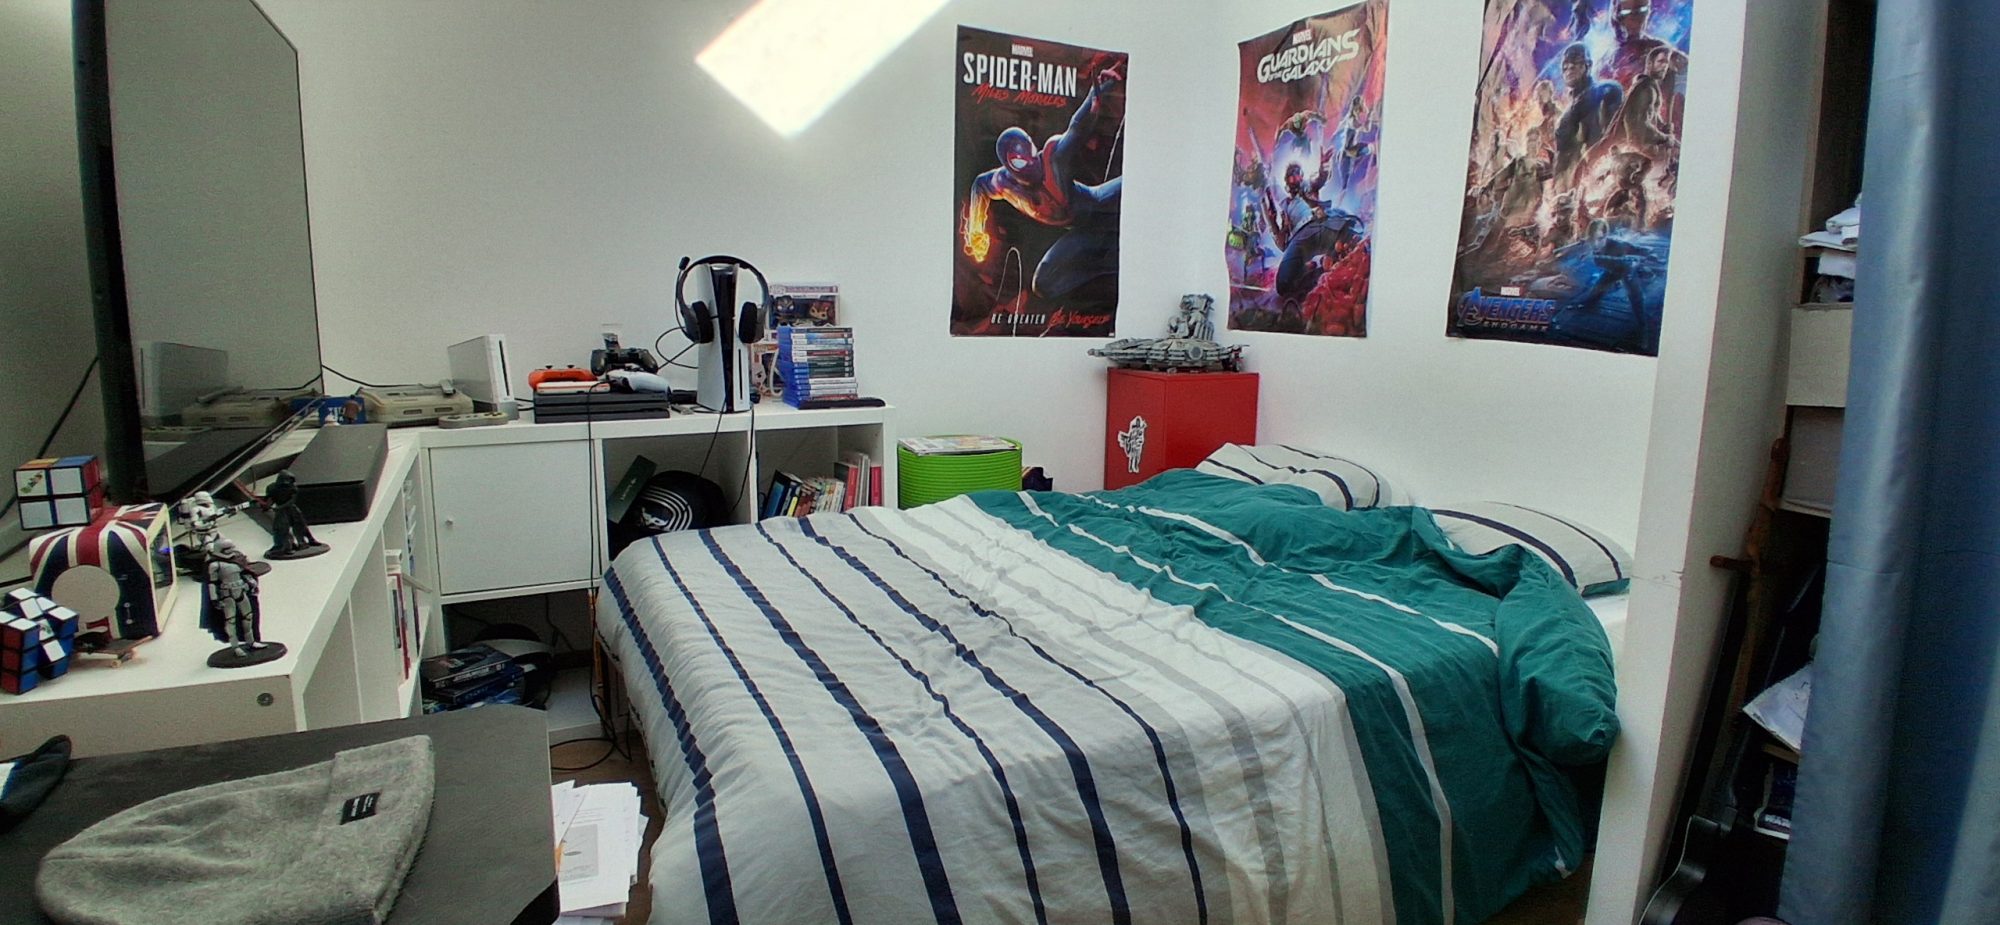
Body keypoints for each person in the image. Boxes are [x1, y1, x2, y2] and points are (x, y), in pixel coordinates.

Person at [961, 65, 1124, 305]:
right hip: (1080, 230)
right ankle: (1111, 263)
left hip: (1097, 202)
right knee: (1044, 284)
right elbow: (979, 187)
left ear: (1033, 148)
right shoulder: (1002, 183)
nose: (1028, 165)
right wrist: (976, 230)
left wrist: (1096, 93)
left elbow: (1077, 128)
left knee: (1135, 186)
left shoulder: (1052, 157)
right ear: (1009, 166)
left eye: (1028, 156)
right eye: (1018, 162)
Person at [1553, 43, 1623, 187]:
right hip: (1574, 183)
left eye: (1575, 62)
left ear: (1588, 65)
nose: (1569, 68)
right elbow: (1563, 159)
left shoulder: (1606, 90)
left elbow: (1614, 133)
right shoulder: (1565, 117)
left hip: (1602, 171)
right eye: (1565, 65)